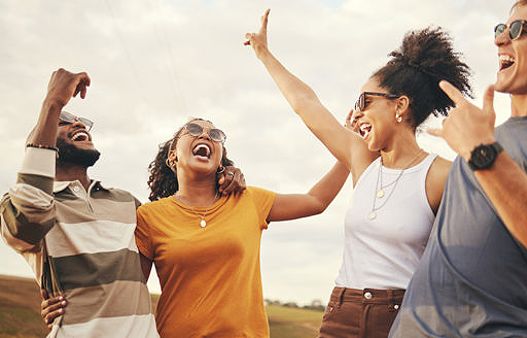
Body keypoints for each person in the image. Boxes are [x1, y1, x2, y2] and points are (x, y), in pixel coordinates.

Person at [244, 10, 471, 338]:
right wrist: (264, 54)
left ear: (400, 106)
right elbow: (306, 104)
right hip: (342, 313)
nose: (357, 111)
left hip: (403, 319)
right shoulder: (362, 160)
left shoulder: (440, 175)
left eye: (365, 101)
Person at [390, 0, 527, 336]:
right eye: (502, 29)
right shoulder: (486, 139)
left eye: (519, 30)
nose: (501, 40)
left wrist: (480, 151)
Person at [0, 69, 245, 337]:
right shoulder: (18, 206)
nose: (79, 124)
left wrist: (224, 176)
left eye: (81, 121)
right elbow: (31, 212)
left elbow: (183, 219)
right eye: (64, 121)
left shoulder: (127, 203)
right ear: (41, 145)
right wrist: (52, 104)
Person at [134, 117, 350, 337]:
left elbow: (315, 201)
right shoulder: (149, 216)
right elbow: (133, 293)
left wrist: (350, 150)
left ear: (220, 161)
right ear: (173, 155)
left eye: (215, 135)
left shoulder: (248, 200)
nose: (206, 135)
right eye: (194, 129)